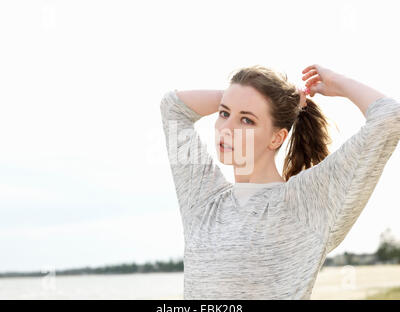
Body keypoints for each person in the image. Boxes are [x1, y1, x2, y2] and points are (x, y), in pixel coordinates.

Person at [159, 64, 400, 299]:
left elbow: (389, 117)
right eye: (224, 113)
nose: (226, 128)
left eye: (246, 120)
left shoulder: (305, 202)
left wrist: (337, 81)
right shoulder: (203, 200)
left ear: (276, 138)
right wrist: (244, 98)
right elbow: (173, 107)